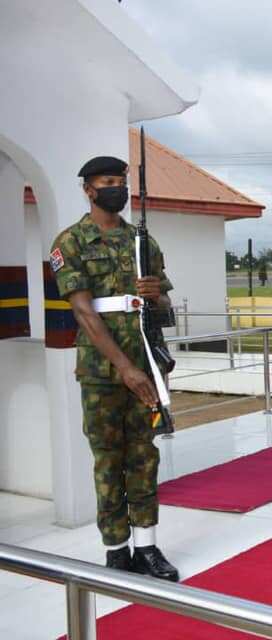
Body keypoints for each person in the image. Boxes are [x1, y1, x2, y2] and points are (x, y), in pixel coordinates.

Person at [51, 156, 179, 580]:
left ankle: (147, 547)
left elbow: (165, 311)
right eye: (108, 182)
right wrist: (125, 367)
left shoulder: (144, 242)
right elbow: (85, 314)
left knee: (144, 456)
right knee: (108, 460)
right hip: (104, 372)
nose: (117, 189)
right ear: (89, 189)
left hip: (144, 363)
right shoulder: (70, 242)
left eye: (121, 182)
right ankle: (116, 551)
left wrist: (156, 293)